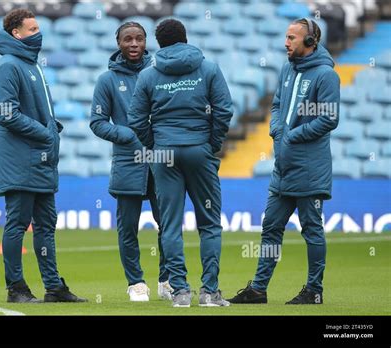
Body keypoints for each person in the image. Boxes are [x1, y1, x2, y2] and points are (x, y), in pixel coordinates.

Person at [226, 18, 340, 305]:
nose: (285, 43)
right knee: (270, 227)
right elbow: (276, 104)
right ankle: (259, 289)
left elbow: (329, 118)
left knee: (311, 229)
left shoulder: (325, 75)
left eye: (292, 38)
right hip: (283, 168)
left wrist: (294, 135)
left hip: (310, 169)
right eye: (286, 37)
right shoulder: (288, 69)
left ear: (310, 42)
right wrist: (277, 128)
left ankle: (314, 290)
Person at [128, 19, 233, 307]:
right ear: (185, 39)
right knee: (209, 224)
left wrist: (156, 143)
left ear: (158, 44)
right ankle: (210, 292)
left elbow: (136, 119)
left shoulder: (148, 75)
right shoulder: (209, 68)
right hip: (200, 150)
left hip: (165, 153)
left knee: (170, 225)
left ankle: (181, 293)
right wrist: (211, 144)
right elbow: (224, 110)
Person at [0, 9, 87, 303]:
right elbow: (7, 114)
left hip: (42, 161)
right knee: (17, 223)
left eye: (38, 28)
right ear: (16, 34)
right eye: (32, 30)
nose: (39, 34)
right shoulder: (9, 65)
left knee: (46, 226)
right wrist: (46, 133)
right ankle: (16, 288)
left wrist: (51, 128)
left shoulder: (32, 65)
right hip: (20, 160)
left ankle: (53, 287)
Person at [90, 22, 172, 302]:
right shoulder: (107, 80)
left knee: (168, 225)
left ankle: (167, 280)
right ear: (119, 42)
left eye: (139, 38)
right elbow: (97, 122)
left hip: (161, 160)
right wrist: (127, 134)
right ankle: (136, 283)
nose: (134, 44)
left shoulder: (160, 73)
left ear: (146, 41)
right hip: (127, 162)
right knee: (128, 228)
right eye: (128, 39)